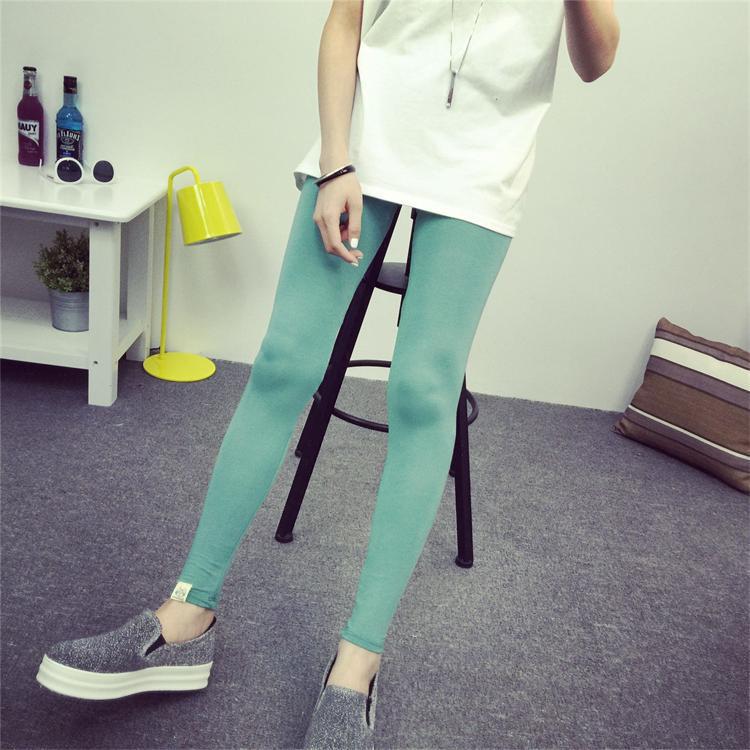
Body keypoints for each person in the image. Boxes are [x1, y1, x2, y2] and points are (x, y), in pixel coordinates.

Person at [36, 1, 619, 748]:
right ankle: (188, 612)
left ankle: (358, 662)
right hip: (368, 139)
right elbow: (347, 18)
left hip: (484, 164)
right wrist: (338, 158)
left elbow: (596, 59)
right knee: (282, 362)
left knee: (424, 393)